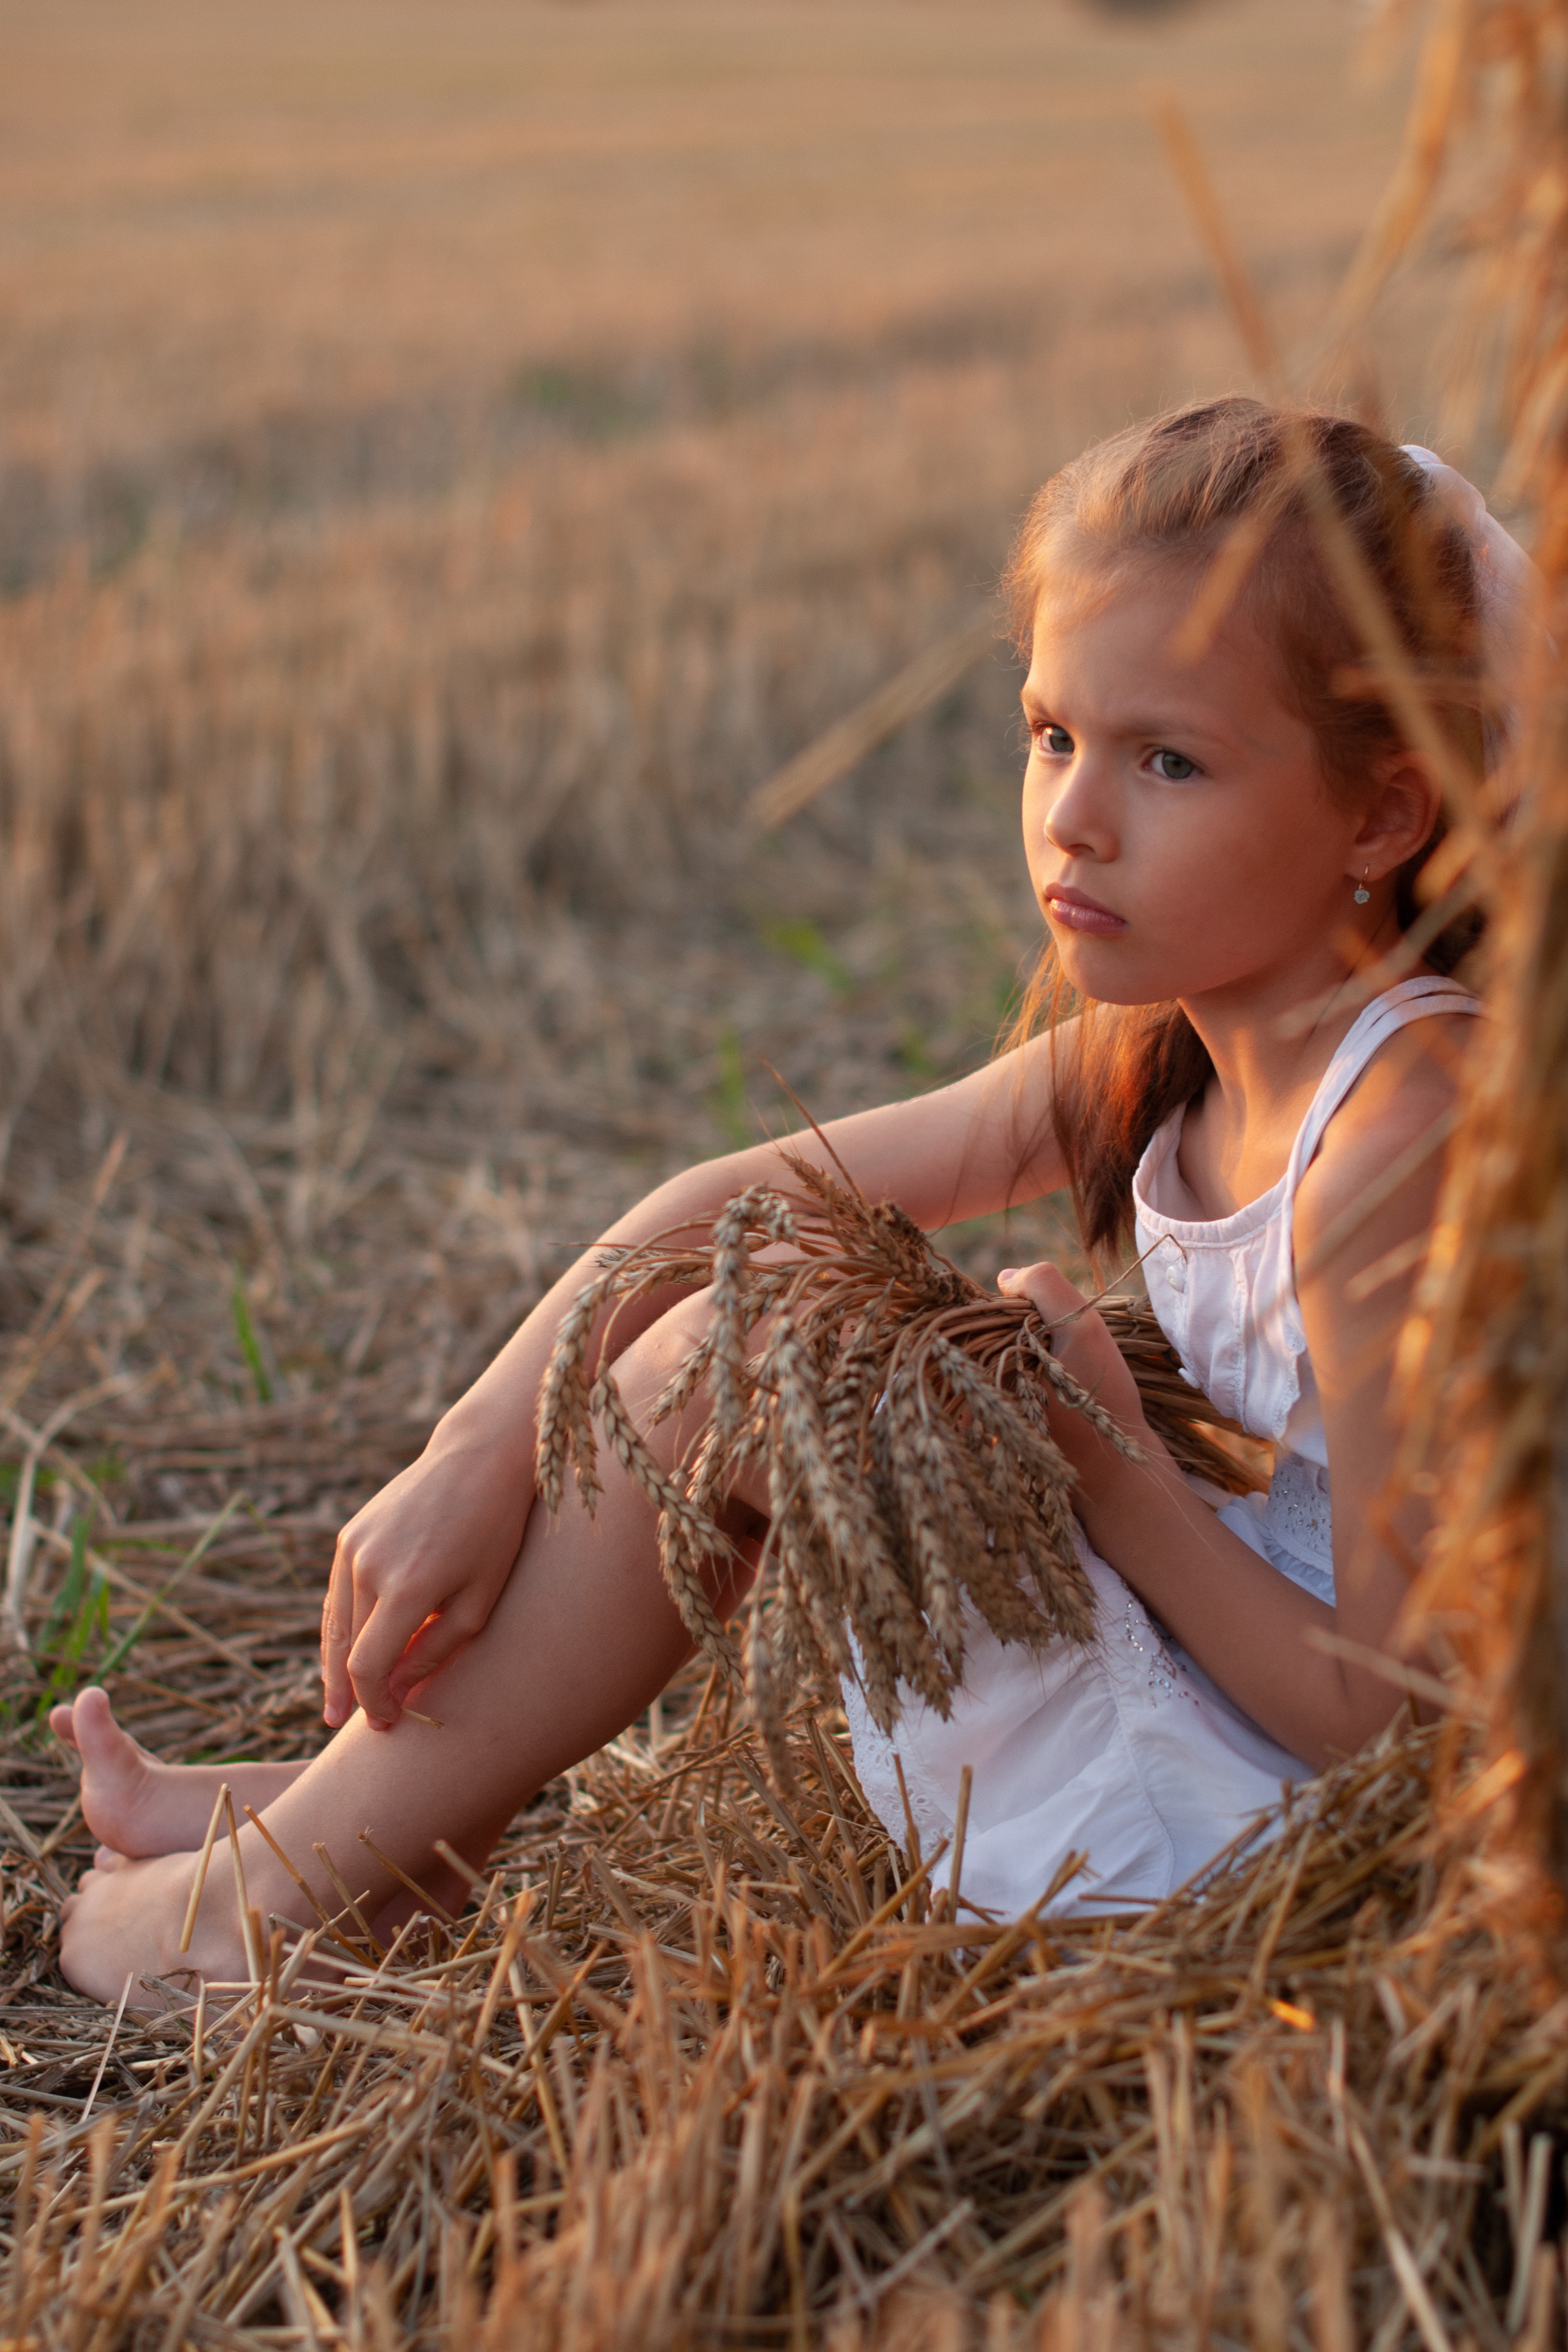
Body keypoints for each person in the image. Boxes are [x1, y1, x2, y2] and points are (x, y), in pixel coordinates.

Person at [52, 398, 1521, 2000]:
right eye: (1052, 735)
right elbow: (745, 1199)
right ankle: (368, 1833)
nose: (1074, 818)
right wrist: (474, 1442)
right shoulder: (1175, 1037)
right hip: (1230, 1667)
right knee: (745, 1329)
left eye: (1167, 758)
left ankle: (271, 1901)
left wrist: (1111, 1472)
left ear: (1383, 812)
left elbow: (1401, 1722)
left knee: (744, 1362)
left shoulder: (1401, 1138)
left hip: (1291, 1823)